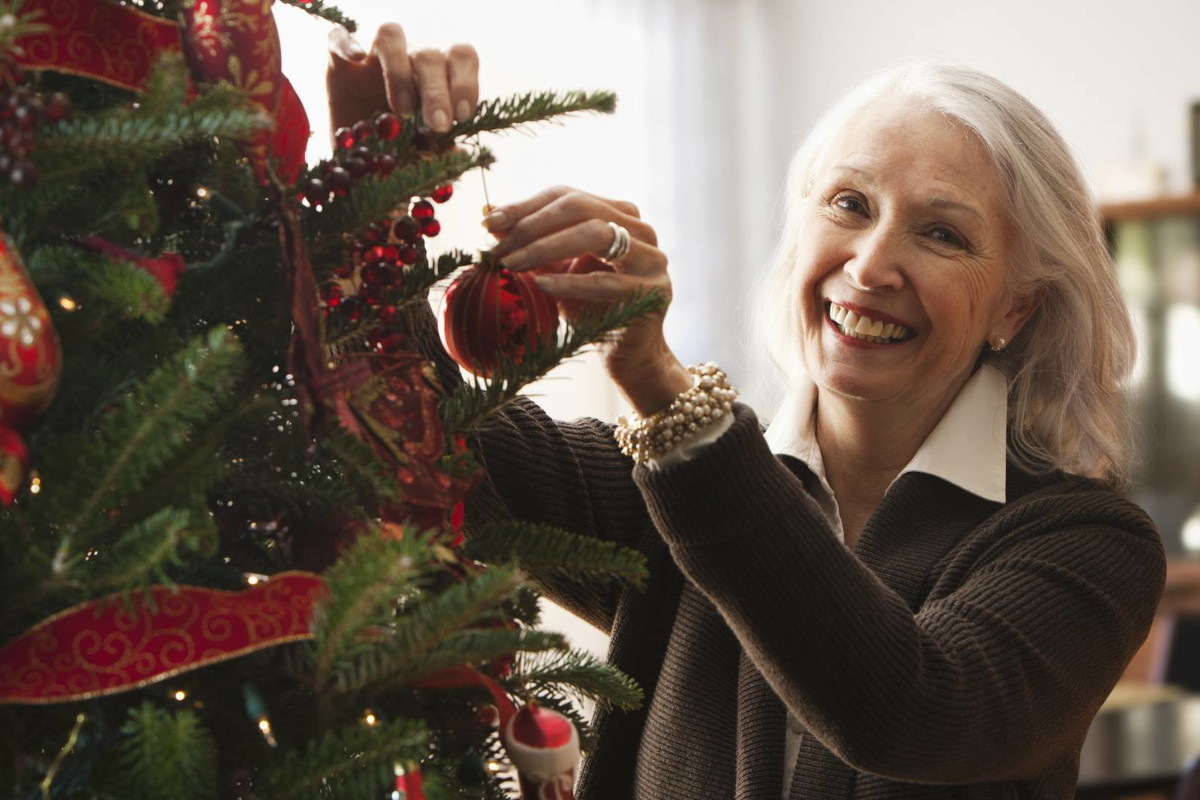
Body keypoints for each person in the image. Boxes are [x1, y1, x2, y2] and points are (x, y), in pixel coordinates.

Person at [328, 25, 1166, 800]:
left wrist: (661, 386)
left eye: (942, 234)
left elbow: (913, 708)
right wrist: (368, 196)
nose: (870, 266)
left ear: (1017, 306)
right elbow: (414, 439)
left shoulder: (1088, 545)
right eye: (850, 204)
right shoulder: (664, 490)